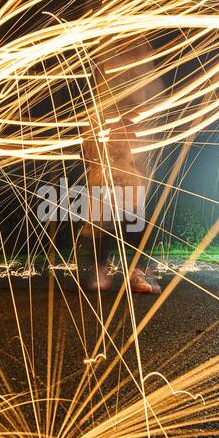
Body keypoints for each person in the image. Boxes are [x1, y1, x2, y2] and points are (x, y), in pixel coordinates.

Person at [74, 15, 162, 295]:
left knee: (134, 196)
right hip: (107, 131)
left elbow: (150, 94)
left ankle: (136, 269)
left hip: (133, 134)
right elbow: (97, 94)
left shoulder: (141, 52)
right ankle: (96, 266)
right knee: (101, 197)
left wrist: (136, 119)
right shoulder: (106, 54)